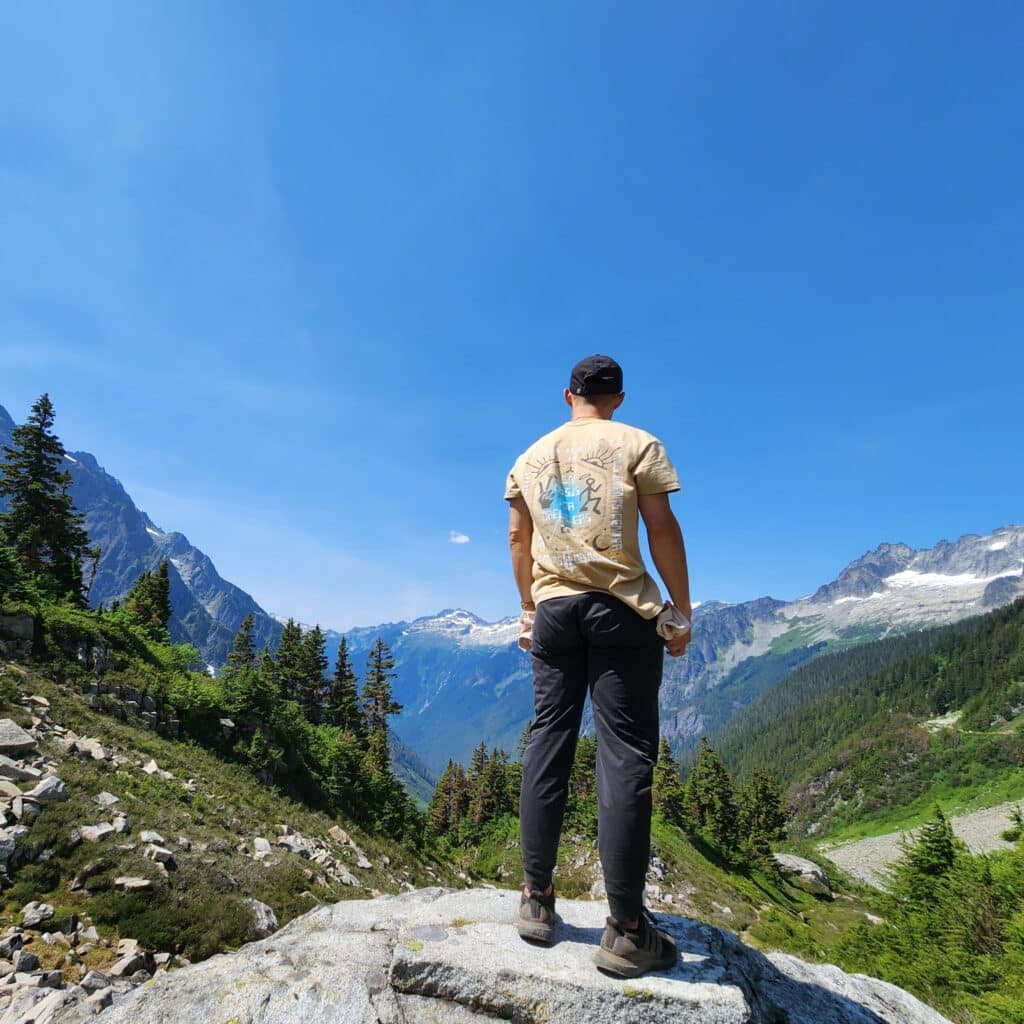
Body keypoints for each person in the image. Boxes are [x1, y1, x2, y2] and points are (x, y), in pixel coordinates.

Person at [504, 354, 692, 979]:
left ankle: (535, 900)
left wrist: (529, 606)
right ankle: (627, 930)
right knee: (625, 756)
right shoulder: (638, 443)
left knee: (548, 740)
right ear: (617, 396)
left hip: (555, 611)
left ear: (568, 396)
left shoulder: (529, 458)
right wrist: (680, 610)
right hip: (619, 611)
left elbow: (517, 539)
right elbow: (662, 528)